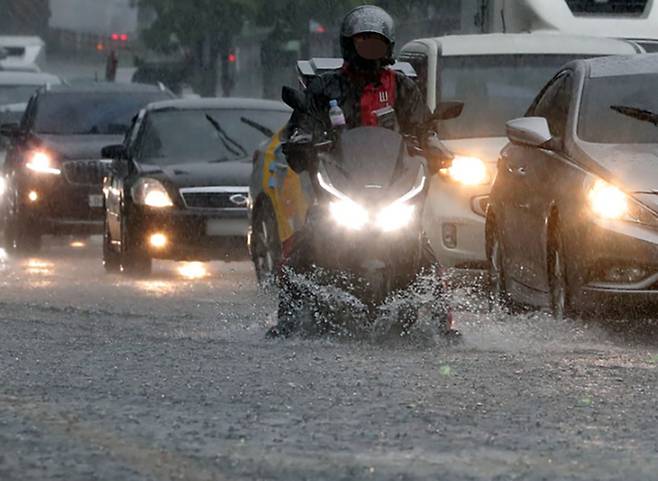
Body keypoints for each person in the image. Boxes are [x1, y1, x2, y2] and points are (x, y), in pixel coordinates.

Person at [267, 5, 460, 340]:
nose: (370, 50)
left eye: (377, 43)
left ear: (389, 47)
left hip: (392, 188)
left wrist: (433, 145)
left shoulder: (402, 88)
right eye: (363, 42)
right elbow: (303, 125)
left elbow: (422, 129)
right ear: (348, 44)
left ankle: (445, 324)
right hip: (342, 188)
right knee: (305, 245)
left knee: (423, 250)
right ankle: (286, 319)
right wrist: (302, 140)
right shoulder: (326, 88)